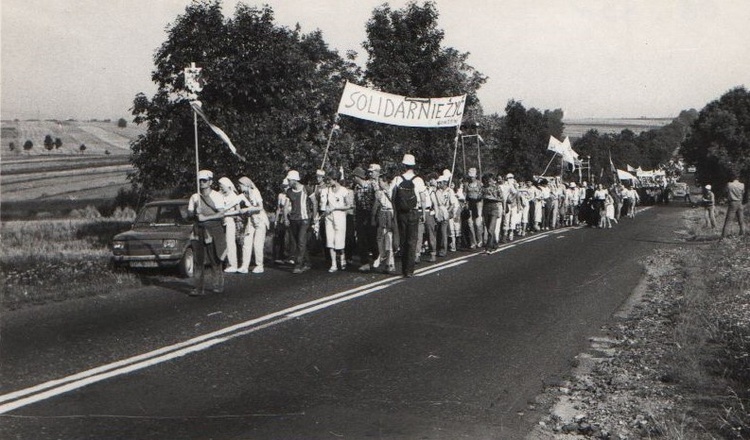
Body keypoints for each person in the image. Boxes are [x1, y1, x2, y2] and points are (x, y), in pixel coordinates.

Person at [188, 170, 228, 296]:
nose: (202, 183)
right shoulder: (195, 197)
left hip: (214, 230)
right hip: (198, 230)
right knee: (198, 260)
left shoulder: (217, 196)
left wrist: (205, 218)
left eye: (204, 180)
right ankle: (198, 288)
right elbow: (188, 215)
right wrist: (195, 211)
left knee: (215, 259)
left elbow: (221, 213)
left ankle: (217, 285)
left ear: (210, 182)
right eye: (200, 180)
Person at [391, 154, 427, 278]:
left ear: (404, 165)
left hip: (401, 212)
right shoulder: (418, 180)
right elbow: (423, 198)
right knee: (412, 240)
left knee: (403, 240)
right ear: (413, 165)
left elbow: (392, 196)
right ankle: (409, 270)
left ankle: (403, 268)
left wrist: (395, 211)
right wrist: (422, 213)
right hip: (413, 211)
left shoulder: (397, 179)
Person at [285, 170, 317, 274]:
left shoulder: (306, 189)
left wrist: (314, 216)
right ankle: (307, 262)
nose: (288, 182)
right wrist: (286, 218)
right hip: (293, 219)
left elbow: (314, 202)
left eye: (289, 180)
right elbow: (286, 206)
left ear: (294, 180)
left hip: (304, 219)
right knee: (297, 242)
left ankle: (298, 265)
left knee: (301, 241)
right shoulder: (289, 191)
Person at [322, 169, 353, 272]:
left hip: (340, 217)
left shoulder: (344, 190)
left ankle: (342, 258)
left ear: (335, 179)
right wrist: (326, 209)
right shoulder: (327, 190)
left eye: (330, 180)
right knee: (330, 240)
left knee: (339, 240)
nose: (328, 182)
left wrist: (336, 208)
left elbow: (349, 206)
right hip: (329, 217)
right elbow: (324, 204)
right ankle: (334, 264)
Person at [237, 176, 268, 274]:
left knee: (258, 244)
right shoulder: (244, 195)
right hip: (251, 220)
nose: (239, 187)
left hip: (260, 220)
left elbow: (260, 207)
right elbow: (233, 202)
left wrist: (247, 209)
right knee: (246, 243)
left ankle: (260, 265)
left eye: (240, 185)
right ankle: (245, 266)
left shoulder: (255, 192)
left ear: (245, 185)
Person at [353, 165, 377, 271]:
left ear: (357, 177)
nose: (353, 179)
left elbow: (377, 199)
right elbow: (356, 203)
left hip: (371, 213)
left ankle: (377, 257)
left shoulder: (371, 185)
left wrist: (373, 214)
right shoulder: (356, 188)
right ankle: (365, 262)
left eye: (354, 177)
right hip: (360, 214)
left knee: (372, 238)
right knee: (361, 238)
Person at [217, 177, 244, 273]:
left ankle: (233, 264)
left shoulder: (233, 196)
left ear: (228, 186)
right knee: (224, 243)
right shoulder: (221, 195)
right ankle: (225, 262)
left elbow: (238, 210)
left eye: (222, 186)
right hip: (222, 221)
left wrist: (227, 213)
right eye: (220, 186)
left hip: (230, 221)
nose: (221, 188)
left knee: (230, 242)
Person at [371, 174, 396, 273]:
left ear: (385, 181)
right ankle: (388, 263)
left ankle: (387, 260)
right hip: (388, 215)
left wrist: (373, 217)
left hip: (386, 215)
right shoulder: (388, 191)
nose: (379, 183)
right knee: (385, 238)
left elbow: (375, 206)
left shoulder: (384, 192)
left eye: (380, 181)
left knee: (385, 238)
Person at [463, 167, 484, 248]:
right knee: (470, 223)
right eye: (470, 176)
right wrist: (465, 203)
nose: (472, 178)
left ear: (475, 176)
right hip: (469, 203)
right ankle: (473, 242)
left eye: (473, 176)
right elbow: (465, 193)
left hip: (478, 204)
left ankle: (480, 240)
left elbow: (482, 193)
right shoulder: (466, 184)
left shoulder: (479, 183)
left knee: (477, 223)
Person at [272, 179, 291, 265]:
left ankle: (290, 256)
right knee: (280, 236)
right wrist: (276, 220)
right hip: (282, 217)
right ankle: (280, 256)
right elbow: (278, 208)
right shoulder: (281, 195)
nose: (285, 188)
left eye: (286, 186)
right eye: (283, 187)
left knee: (290, 237)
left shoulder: (292, 194)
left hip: (291, 216)